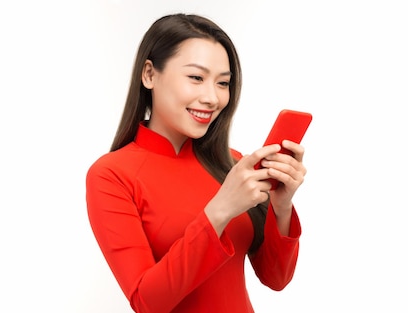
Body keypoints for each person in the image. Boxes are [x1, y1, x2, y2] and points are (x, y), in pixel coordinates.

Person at [86, 13, 307, 313]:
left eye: (223, 83)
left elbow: (276, 278)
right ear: (149, 74)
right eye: (196, 78)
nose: (212, 98)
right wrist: (219, 210)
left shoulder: (233, 164)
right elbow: (147, 302)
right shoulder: (111, 176)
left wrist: (281, 206)